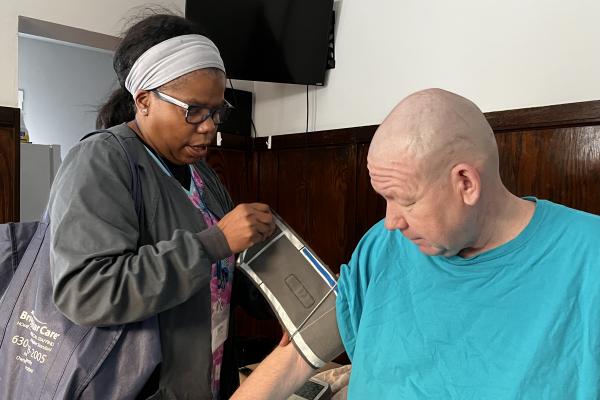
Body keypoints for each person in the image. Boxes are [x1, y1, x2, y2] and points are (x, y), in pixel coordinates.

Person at [48, 13, 280, 399]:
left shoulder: (202, 174)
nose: (209, 126)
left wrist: (271, 295)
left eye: (216, 112)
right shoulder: (102, 160)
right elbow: (85, 291)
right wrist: (213, 243)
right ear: (144, 101)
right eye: (194, 110)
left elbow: (215, 275)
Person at [335, 88, 600, 398]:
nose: (391, 221)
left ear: (466, 183)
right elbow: (310, 342)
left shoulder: (588, 257)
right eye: (385, 198)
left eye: (405, 200)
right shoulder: (381, 243)